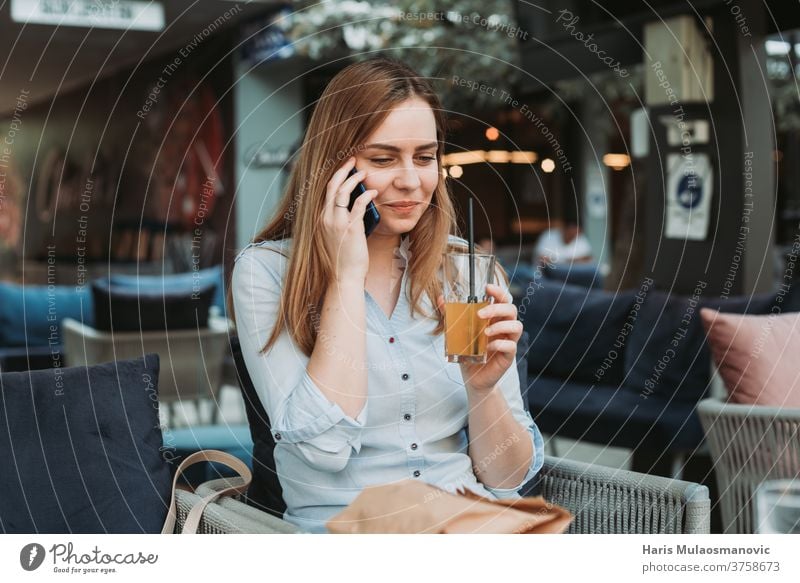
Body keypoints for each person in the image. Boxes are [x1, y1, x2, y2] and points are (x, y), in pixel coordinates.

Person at [228, 58, 543, 533]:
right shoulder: (267, 273)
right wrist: (345, 279)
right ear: (335, 167)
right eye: (382, 159)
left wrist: (482, 392)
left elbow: (509, 478)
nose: (411, 181)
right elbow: (324, 450)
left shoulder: (467, 272)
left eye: (424, 157)